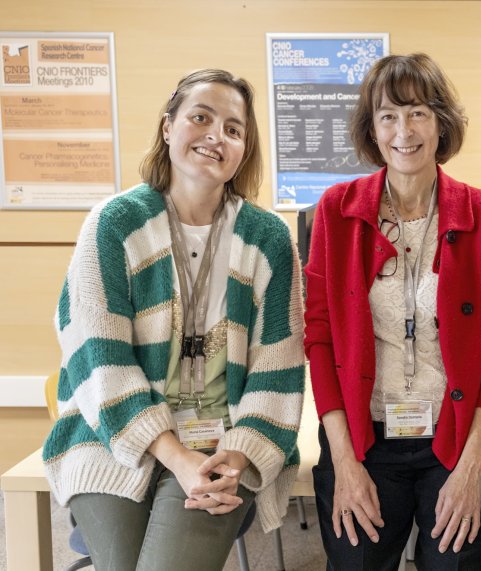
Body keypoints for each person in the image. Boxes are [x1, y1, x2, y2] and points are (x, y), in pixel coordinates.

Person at [42, 69, 305, 571]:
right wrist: (172, 454)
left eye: (233, 128)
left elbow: (280, 367)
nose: (215, 136)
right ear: (168, 128)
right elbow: (100, 359)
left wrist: (240, 454)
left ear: (244, 149)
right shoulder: (114, 224)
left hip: (221, 445)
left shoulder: (268, 237)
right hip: (110, 436)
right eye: (200, 118)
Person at [304, 53, 481, 570]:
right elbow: (320, 337)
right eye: (388, 115)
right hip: (365, 437)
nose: (405, 130)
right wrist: (345, 461)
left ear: (441, 122)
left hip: (460, 434)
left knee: (457, 559)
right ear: (372, 129)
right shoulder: (337, 211)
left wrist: (471, 467)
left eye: (418, 112)